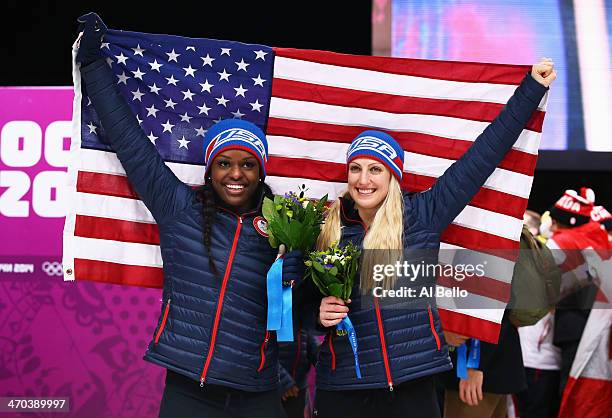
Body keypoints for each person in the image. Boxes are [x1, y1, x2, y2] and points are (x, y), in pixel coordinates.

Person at [75, 13, 304, 418]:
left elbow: (295, 310)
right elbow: (128, 139)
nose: (236, 174)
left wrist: (285, 374)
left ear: (261, 171)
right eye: (225, 163)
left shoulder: (286, 227)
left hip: (259, 395)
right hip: (189, 392)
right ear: (209, 170)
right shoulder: (179, 209)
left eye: (248, 164)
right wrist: (93, 64)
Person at [312, 60, 555, 418]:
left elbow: (483, 156)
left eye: (375, 169)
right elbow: (300, 303)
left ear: (393, 177)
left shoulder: (423, 216)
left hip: (413, 386)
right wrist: (317, 314)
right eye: (356, 168)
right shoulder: (327, 230)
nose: (364, 179)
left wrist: (530, 90)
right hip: (344, 389)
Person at [278, 328, 321, 418]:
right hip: (275, 388)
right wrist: (283, 380)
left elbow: (312, 346)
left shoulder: (301, 317)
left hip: (298, 387)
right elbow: (260, 349)